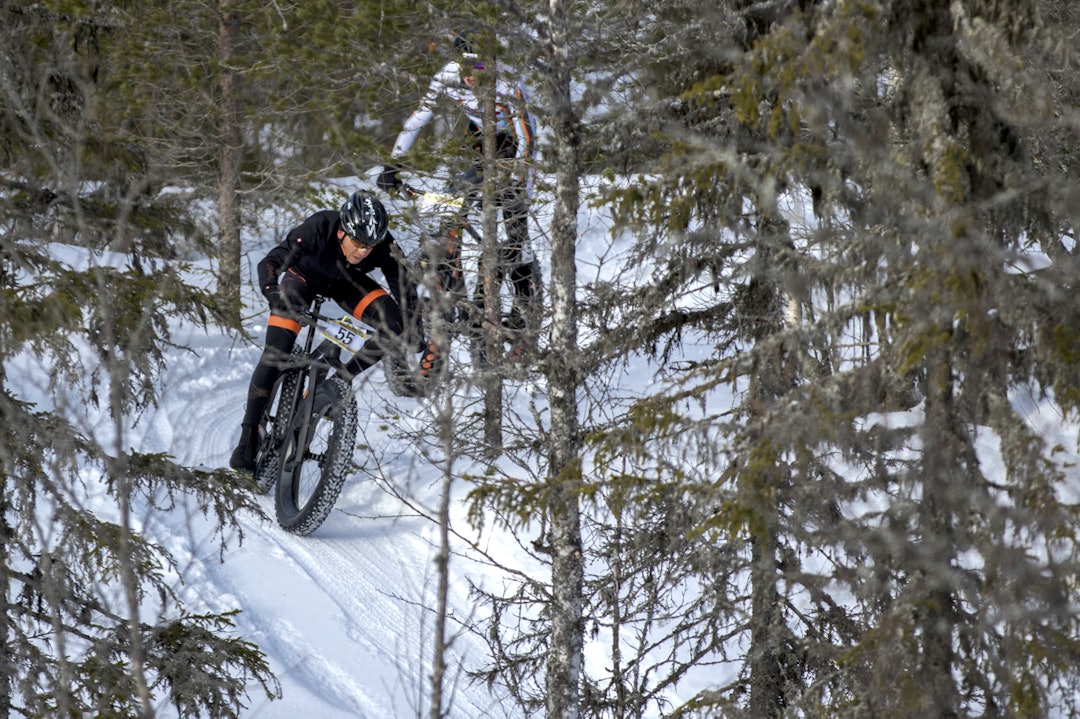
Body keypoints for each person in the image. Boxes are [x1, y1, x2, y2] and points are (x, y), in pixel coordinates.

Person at [229, 190, 424, 473]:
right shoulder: (319, 226)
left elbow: (404, 287)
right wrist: (272, 292)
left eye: (370, 247)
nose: (362, 251)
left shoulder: (382, 243)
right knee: (275, 353)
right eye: (357, 243)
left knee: (394, 326)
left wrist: (414, 328)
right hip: (303, 279)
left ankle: (339, 382)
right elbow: (271, 263)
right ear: (342, 230)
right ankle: (248, 436)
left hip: (346, 284)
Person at [377, 31, 540, 365]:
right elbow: (420, 116)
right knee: (454, 196)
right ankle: (448, 262)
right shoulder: (448, 76)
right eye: (465, 70)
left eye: (478, 71)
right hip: (478, 137)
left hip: (515, 140)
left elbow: (527, 139)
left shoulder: (509, 84)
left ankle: (524, 318)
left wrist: (517, 182)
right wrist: (393, 164)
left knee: (515, 231)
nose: (469, 78)